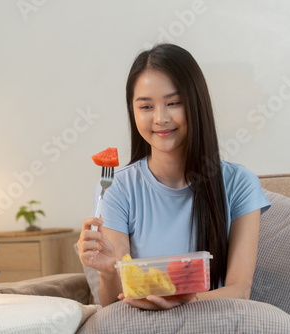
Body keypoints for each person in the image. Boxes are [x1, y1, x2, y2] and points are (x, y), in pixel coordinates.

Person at [77, 43, 271, 310]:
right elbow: (114, 302)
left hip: (213, 321)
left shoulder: (240, 183)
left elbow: (239, 289)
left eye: (174, 103)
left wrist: (184, 301)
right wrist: (107, 271)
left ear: (196, 104)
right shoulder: (115, 187)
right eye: (146, 107)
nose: (160, 118)